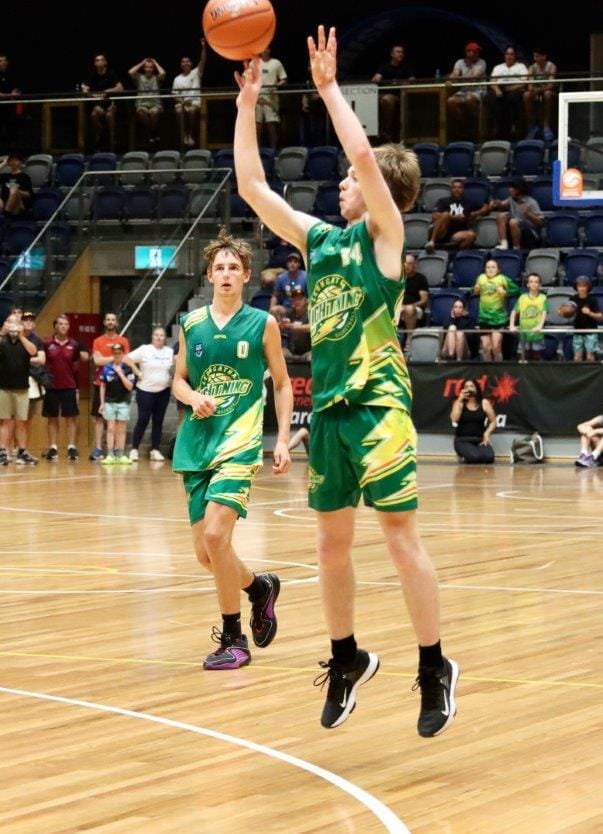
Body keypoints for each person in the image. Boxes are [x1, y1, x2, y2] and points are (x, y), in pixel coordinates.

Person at [235, 25, 458, 737]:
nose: (338, 185)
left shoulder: (385, 238)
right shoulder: (321, 241)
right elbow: (252, 188)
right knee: (329, 546)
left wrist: (329, 88)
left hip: (379, 403)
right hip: (328, 410)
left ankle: (433, 666)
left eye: (349, 183)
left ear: (375, 192)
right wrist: (245, 105)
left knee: (397, 536)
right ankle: (345, 657)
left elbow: (360, 154)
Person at [172, 229, 293, 669]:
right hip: (196, 443)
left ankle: (233, 638)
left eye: (233, 268)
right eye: (219, 267)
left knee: (216, 536)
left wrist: (280, 439)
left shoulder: (264, 324)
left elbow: (281, 384)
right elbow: (179, 378)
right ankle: (259, 588)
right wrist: (191, 398)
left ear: (246, 276)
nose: (226, 274)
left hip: (239, 443)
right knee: (207, 555)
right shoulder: (192, 324)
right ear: (209, 276)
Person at [0, 312, 39, 465]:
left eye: (16, 323)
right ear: (5, 324)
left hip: (22, 389)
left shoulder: (25, 341)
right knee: (5, 421)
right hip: (4, 387)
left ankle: (22, 451)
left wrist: (21, 335)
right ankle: (3, 451)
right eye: (10, 323)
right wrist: (1, 333)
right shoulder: (2, 340)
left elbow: (33, 351)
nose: (13, 327)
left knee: (21, 422)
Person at [41, 315, 88, 461]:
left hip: (69, 386)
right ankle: (53, 448)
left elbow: (77, 363)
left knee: (70, 418)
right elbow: (42, 362)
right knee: (52, 418)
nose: (62, 326)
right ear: (55, 326)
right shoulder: (47, 343)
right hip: (51, 386)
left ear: (68, 327)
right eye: (60, 323)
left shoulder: (74, 344)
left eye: (65, 324)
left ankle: (71, 447)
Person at [126, 326, 174, 461]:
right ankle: (134, 449)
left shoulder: (169, 352)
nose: (159, 337)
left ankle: (155, 449)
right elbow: (127, 359)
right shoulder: (145, 349)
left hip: (163, 391)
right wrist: (138, 373)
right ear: (152, 337)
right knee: (143, 419)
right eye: (157, 335)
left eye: (162, 335)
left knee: (158, 421)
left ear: (165, 338)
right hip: (145, 391)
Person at [90, 313, 131, 461]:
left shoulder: (123, 341)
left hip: (120, 386)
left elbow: (126, 360)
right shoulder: (98, 341)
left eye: (113, 319)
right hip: (101, 384)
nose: (110, 322)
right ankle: (99, 449)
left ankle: (118, 451)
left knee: (119, 423)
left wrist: (105, 359)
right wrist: (116, 358)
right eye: (108, 319)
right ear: (104, 322)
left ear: (117, 323)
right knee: (99, 418)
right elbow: (97, 360)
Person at [473, 258, 518, 361]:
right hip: (484, 318)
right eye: (488, 267)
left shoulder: (503, 279)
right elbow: (474, 291)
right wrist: (475, 290)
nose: (490, 269)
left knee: (496, 347)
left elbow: (517, 290)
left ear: (498, 269)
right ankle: (488, 373)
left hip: (499, 318)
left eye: (493, 267)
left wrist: (505, 292)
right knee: (485, 347)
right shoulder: (481, 277)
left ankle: (499, 373)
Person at [97, 344, 136, 465]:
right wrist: (102, 403)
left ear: (123, 354)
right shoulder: (107, 368)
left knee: (121, 429)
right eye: (115, 353)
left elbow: (129, 386)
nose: (117, 355)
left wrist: (120, 373)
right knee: (110, 428)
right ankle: (110, 454)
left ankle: (120, 453)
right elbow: (102, 386)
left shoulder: (128, 368)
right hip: (109, 402)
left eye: (119, 353)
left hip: (123, 402)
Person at [426, 179, 488, 251]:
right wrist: (453, 217)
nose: (457, 189)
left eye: (459, 187)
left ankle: (458, 255)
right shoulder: (443, 201)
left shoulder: (468, 201)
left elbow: (486, 206)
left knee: (471, 235)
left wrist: (476, 213)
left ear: (463, 189)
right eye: (454, 187)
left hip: (456, 233)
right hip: (442, 232)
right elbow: (434, 216)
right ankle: (432, 242)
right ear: (451, 190)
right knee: (445, 214)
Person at [371, 45, 414, 143]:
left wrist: (401, 83)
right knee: (374, 99)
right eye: (398, 52)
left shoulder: (406, 66)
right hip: (382, 93)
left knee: (386, 100)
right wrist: (376, 79)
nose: (401, 54)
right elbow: (376, 78)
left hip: (398, 95)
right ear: (392, 54)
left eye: (402, 52)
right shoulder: (384, 66)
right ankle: (371, 133)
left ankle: (385, 132)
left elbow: (412, 80)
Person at [81, 54, 123, 152]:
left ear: (105, 62)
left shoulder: (111, 73)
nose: (99, 62)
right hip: (98, 103)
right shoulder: (92, 74)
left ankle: (111, 141)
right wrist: (90, 94)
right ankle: (102, 136)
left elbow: (120, 88)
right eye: (97, 60)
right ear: (95, 63)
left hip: (111, 102)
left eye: (101, 60)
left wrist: (107, 91)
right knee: (94, 114)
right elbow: (85, 89)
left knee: (109, 115)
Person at [446, 43, 488, 140]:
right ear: (468, 53)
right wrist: (450, 79)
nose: (477, 54)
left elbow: (474, 76)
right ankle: (463, 127)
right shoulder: (460, 62)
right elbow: (455, 73)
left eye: (478, 52)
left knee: (469, 99)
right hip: (464, 91)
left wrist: (470, 66)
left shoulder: (482, 62)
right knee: (450, 101)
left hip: (478, 91)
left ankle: (475, 128)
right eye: (475, 52)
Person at [449, 379, 495, 464]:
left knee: (489, 458)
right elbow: (454, 419)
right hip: (462, 440)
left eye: (472, 386)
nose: (469, 389)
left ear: (477, 388)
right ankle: (463, 455)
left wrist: (487, 433)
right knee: (474, 457)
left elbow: (493, 421)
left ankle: (473, 453)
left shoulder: (484, 403)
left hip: (480, 439)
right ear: (462, 390)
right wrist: (459, 399)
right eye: (466, 387)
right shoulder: (459, 403)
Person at [490, 178, 544, 250]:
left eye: (511, 188)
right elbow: (501, 204)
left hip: (531, 232)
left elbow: (541, 223)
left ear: (518, 190)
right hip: (515, 228)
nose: (509, 189)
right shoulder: (511, 199)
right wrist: (495, 203)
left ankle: (516, 248)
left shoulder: (531, 202)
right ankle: (504, 244)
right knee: (501, 216)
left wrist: (529, 214)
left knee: (513, 222)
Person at [173, 41, 208, 147]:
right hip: (183, 102)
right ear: (181, 65)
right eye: (183, 62)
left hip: (195, 102)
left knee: (192, 111)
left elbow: (203, 60)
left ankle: (190, 135)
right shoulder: (177, 79)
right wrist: (183, 102)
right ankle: (183, 135)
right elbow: (174, 95)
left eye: (188, 61)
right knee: (179, 111)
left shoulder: (196, 73)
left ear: (191, 64)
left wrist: (203, 47)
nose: (186, 63)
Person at [489, 47, 528, 141]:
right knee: (492, 98)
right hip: (500, 89)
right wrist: (497, 89)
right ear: (504, 55)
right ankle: (498, 128)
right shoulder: (498, 67)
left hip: (515, 89)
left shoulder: (521, 66)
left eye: (511, 54)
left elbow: (524, 82)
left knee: (513, 97)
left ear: (515, 56)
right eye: (507, 54)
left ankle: (514, 127)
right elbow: (492, 81)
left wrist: (511, 88)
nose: (509, 56)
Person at [560, 276, 603, 361]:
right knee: (577, 357)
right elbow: (566, 313)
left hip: (591, 332)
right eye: (580, 285)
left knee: (590, 357)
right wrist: (563, 312)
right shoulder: (573, 299)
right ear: (576, 287)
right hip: (577, 331)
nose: (582, 288)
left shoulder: (592, 299)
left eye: (584, 286)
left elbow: (600, 317)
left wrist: (590, 313)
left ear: (588, 287)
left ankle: (592, 374)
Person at [509, 273, 547, 362]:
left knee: (536, 356)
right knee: (523, 356)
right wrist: (511, 325)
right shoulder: (522, 297)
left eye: (536, 282)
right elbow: (514, 311)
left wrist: (540, 326)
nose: (534, 284)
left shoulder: (543, 297)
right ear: (527, 284)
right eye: (531, 281)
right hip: (524, 333)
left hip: (536, 334)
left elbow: (544, 313)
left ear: (539, 284)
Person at [256, 46, 287, 151]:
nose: (264, 50)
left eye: (267, 48)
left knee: (271, 124)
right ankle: (257, 149)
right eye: (263, 48)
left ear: (270, 50)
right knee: (257, 124)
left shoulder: (276, 63)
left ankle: (273, 150)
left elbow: (283, 79)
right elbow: (246, 76)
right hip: (257, 97)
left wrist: (275, 86)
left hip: (271, 97)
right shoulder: (254, 63)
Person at [128, 58, 166, 146]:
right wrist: (142, 63)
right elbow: (130, 72)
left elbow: (163, 73)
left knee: (154, 112)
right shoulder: (139, 77)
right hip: (142, 104)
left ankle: (152, 131)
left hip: (155, 104)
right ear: (144, 68)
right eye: (147, 67)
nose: (149, 69)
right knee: (142, 112)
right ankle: (150, 132)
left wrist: (155, 62)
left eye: (151, 67)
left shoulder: (157, 78)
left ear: (153, 69)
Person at [524, 47, 557, 142]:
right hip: (536, 92)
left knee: (547, 94)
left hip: (550, 93)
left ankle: (546, 125)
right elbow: (529, 86)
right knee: (526, 95)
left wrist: (538, 90)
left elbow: (550, 85)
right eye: (534, 56)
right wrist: (535, 91)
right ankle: (532, 126)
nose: (535, 59)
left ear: (544, 56)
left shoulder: (551, 66)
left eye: (537, 56)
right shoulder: (532, 67)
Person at [399, 254, 429, 337]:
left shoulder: (421, 279)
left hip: (416, 308)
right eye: (405, 263)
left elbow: (424, 300)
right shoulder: (398, 278)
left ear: (415, 265)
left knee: (409, 309)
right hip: (400, 307)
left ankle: (409, 338)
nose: (406, 266)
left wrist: (410, 306)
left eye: (409, 263)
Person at [281, 289, 312, 360]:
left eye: (299, 299)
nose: (297, 302)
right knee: (280, 352)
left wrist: (294, 327)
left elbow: (311, 327)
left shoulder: (311, 313)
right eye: (294, 299)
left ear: (306, 301)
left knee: (312, 357)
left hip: (307, 352)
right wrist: (283, 324)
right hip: (291, 351)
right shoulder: (289, 313)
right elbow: (281, 325)